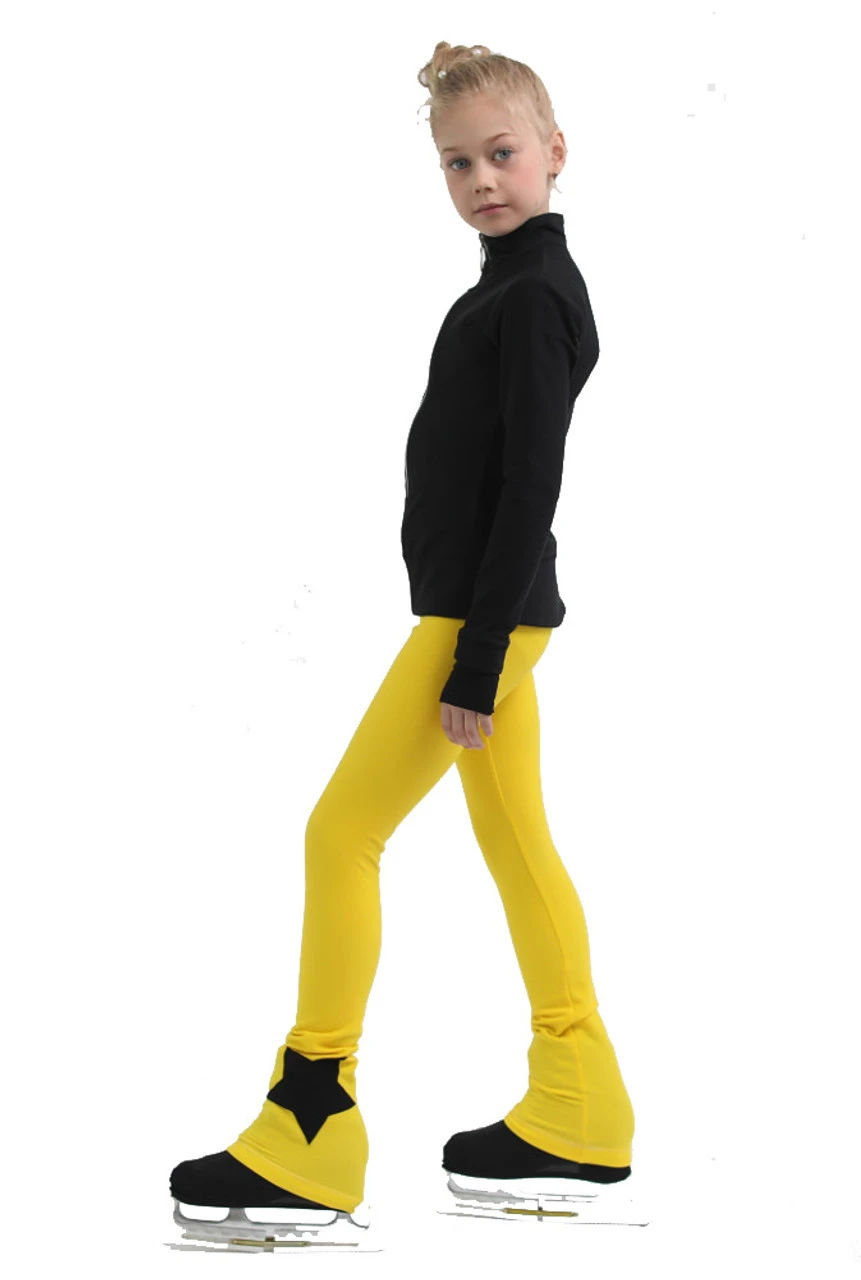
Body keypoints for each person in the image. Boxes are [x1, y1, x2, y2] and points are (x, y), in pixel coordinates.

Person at [170, 40, 636, 1249]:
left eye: (503, 153)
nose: (482, 179)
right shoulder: (513, 286)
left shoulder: (532, 297)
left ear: (556, 152)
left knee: (341, 832)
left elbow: (532, 483)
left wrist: (475, 658)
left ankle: (310, 1119)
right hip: (491, 616)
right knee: (518, 845)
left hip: (479, 623)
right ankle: (580, 1102)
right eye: (457, 163)